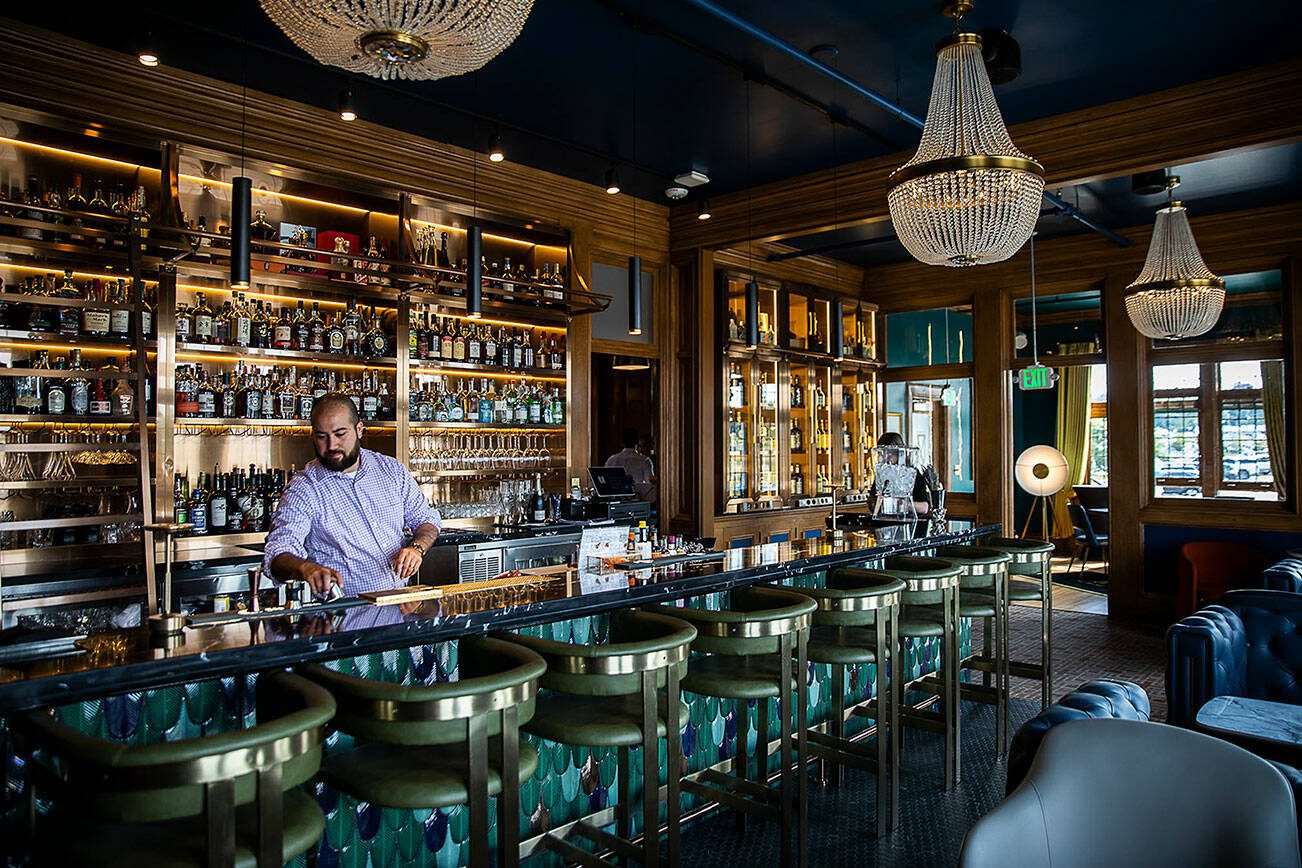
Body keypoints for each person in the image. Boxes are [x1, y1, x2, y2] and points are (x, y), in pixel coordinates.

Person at [263, 393, 441, 597]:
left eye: (340, 434)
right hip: (343, 614)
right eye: (322, 436)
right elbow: (278, 550)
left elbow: (426, 519)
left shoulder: (390, 470)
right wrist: (305, 568)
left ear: (359, 430)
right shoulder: (304, 488)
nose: (331, 445)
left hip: (398, 605)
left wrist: (417, 548)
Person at [874, 431, 932, 516]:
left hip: (910, 524)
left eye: (890, 453)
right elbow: (874, 500)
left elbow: (924, 508)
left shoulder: (912, 473)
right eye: (883, 454)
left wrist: (903, 504)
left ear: (899, 452)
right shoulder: (883, 474)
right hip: (884, 522)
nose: (887, 457)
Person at [606, 427, 657, 503]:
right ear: (637, 441)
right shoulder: (645, 460)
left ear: (621, 442)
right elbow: (649, 486)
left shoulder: (611, 460)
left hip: (615, 502)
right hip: (636, 502)